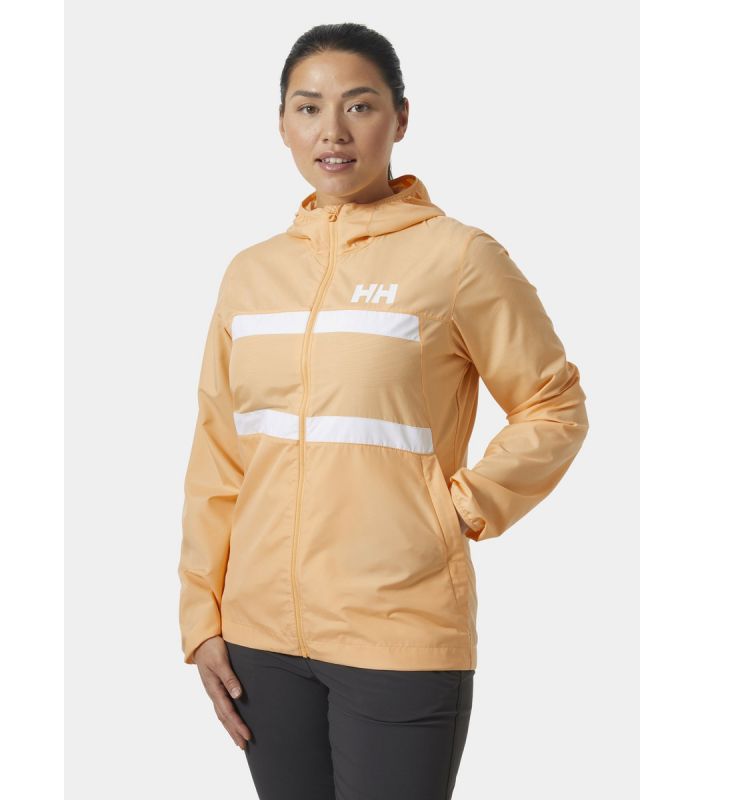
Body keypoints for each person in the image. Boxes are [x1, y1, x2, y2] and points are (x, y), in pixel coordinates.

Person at [177, 22, 589, 800]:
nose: (332, 131)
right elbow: (219, 452)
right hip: (260, 640)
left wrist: (457, 509)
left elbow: (553, 402)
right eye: (308, 108)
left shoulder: (458, 257)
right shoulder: (250, 274)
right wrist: (201, 617)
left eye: (359, 106)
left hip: (398, 632)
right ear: (282, 125)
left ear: (400, 118)